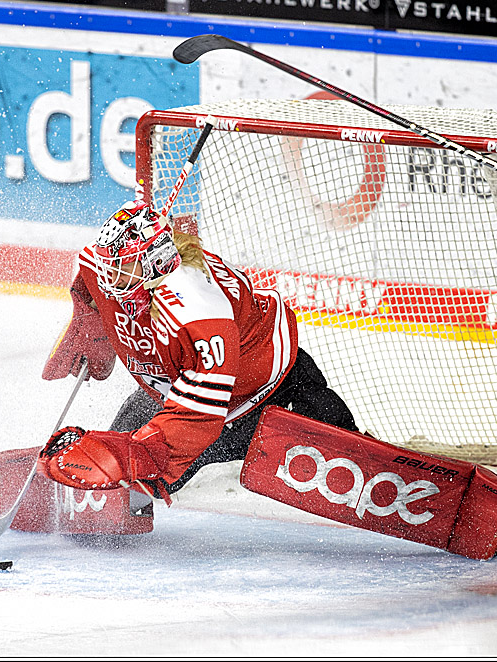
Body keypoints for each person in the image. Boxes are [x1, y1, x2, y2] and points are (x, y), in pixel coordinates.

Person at [38, 201, 359, 502]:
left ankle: (359, 453)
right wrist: (91, 333)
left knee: (345, 458)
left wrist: (139, 455)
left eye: (123, 268)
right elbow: (92, 279)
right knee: (114, 483)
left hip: (266, 391)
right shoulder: (112, 265)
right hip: (177, 391)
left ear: (155, 265)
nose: (111, 279)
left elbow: (200, 413)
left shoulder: (199, 311)